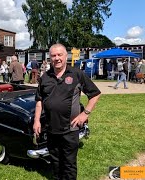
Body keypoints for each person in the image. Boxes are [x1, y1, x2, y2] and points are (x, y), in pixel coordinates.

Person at [33, 43, 101, 180]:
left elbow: (95, 94)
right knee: (56, 162)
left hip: (70, 129)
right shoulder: (45, 77)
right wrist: (36, 121)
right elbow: (39, 100)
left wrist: (85, 114)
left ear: (66, 56)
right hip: (51, 129)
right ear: (50, 58)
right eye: (53, 55)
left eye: (60, 55)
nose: (57, 58)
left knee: (69, 164)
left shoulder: (76, 74)